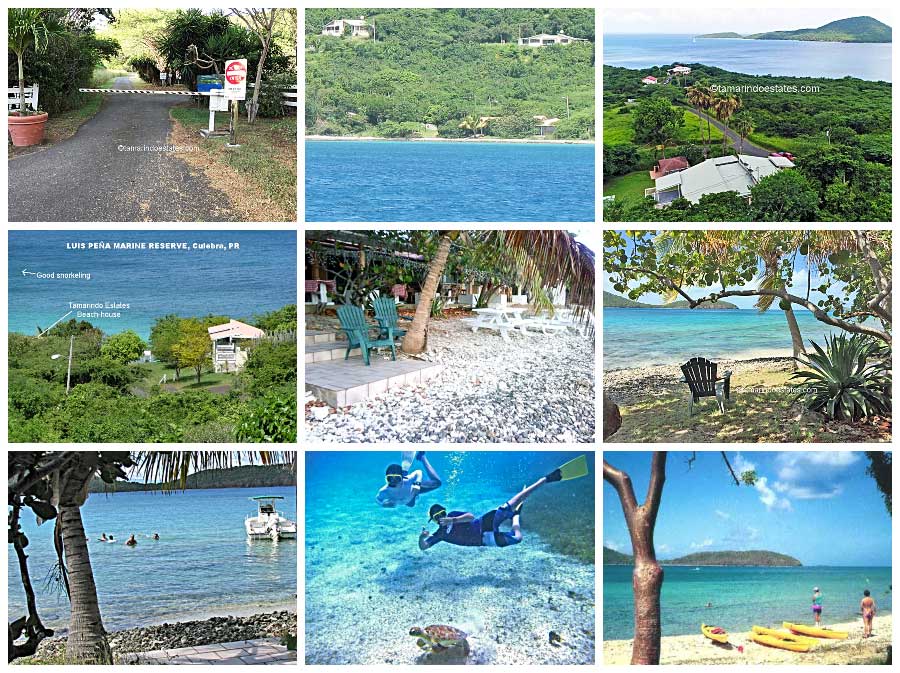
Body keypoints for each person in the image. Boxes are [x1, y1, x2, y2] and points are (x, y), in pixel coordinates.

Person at [419, 455, 588, 551]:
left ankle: (546, 479)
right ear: (433, 521)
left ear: (445, 512)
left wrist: (453, 520)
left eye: (442, 514)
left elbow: (470, 517)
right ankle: (516, 518)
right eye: (437, 518)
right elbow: (424, 547)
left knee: (512, 501)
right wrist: (422, 538)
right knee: (517, 538)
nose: (441, 519)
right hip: (484, 539)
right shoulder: (440, 534)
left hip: (483, 522)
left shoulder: (453, 515)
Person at [376, 451, 442, 508]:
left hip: (412, 490)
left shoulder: (408, 480)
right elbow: (378, 499)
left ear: (402, 478)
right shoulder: (384, 491)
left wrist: (417, 484)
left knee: (438, 483)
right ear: (386, 479)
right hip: (407, 499)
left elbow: (418, 472)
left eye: (397, 479)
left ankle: (422, 457)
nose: (393, 482)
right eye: (390, 479)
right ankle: (404, 472)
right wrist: (383, 505)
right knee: (410, 504)